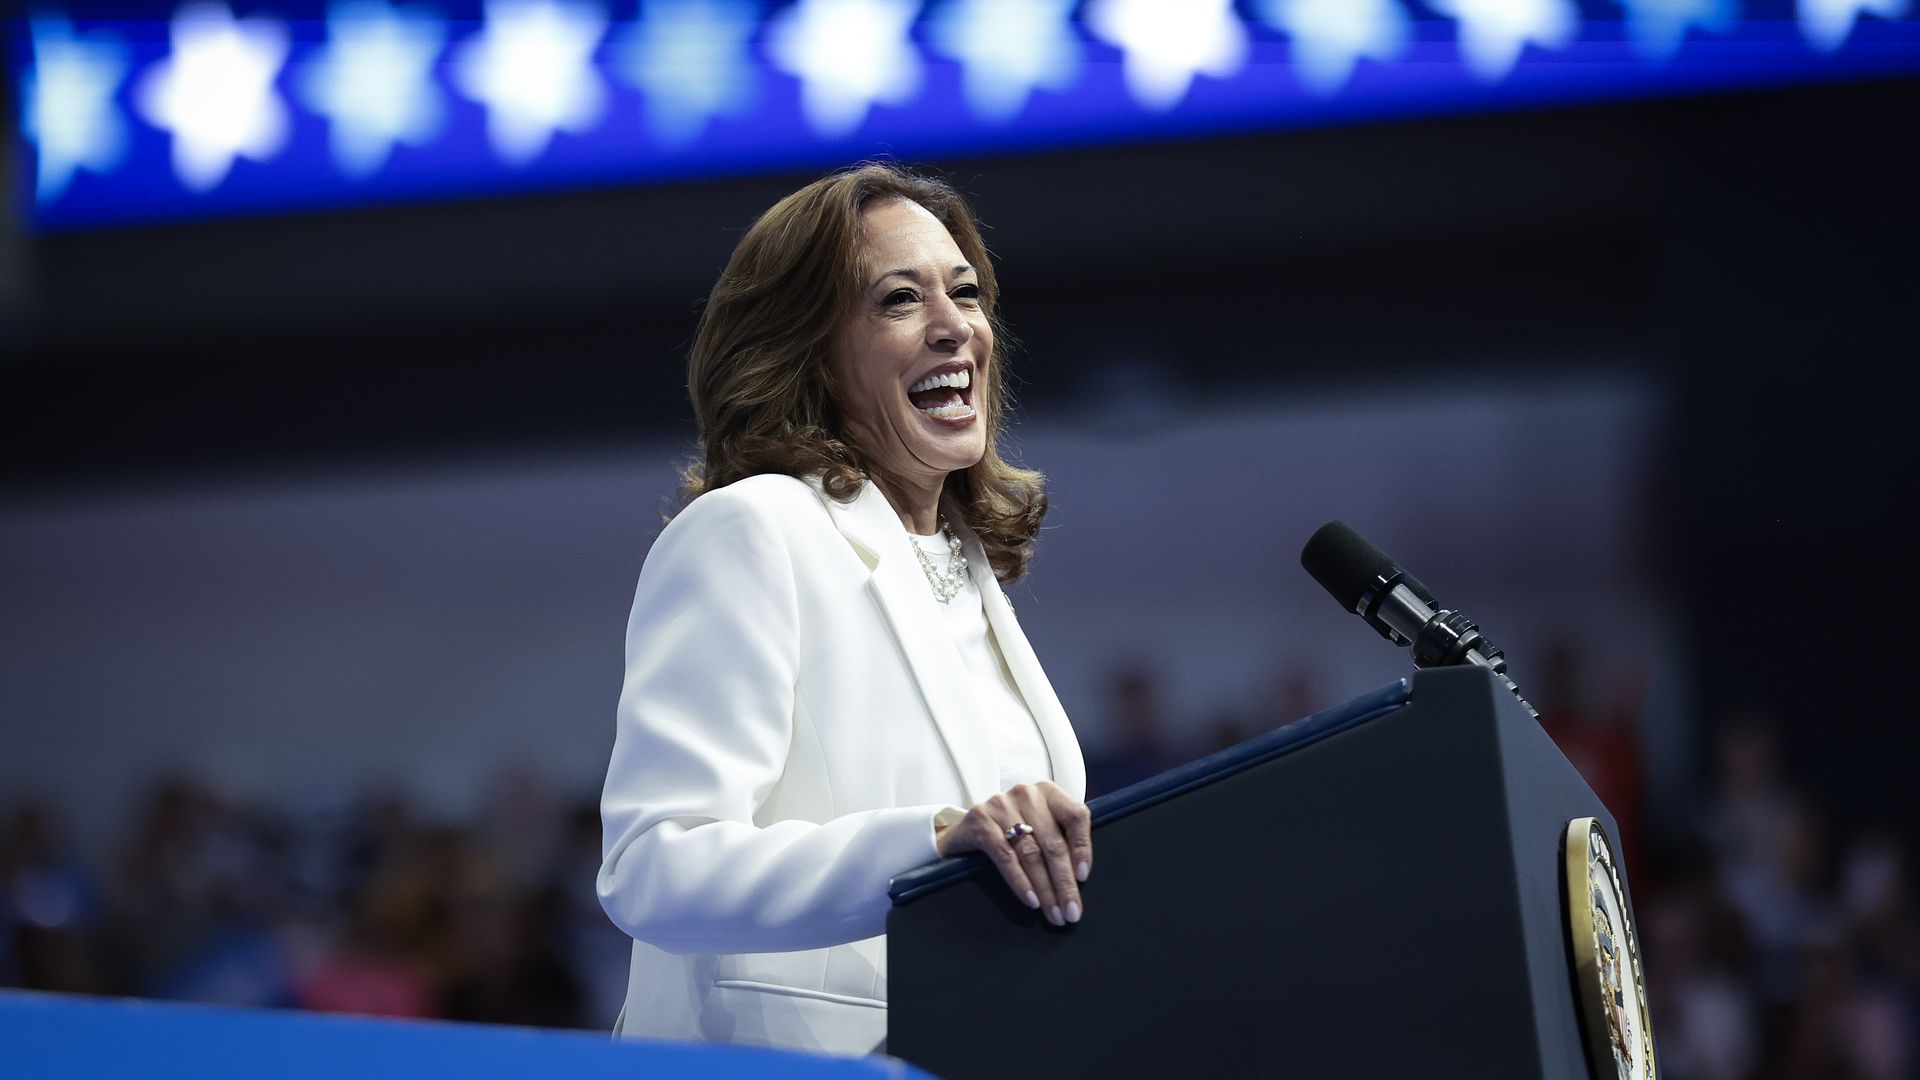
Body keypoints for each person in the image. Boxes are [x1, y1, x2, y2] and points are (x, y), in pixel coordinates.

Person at [596, 163, 1091, 1057]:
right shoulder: (753, 529)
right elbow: (654, 866)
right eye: (899, 299)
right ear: (808, 352)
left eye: (966, 293)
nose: (954, 326)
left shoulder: (967, 565)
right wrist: (928, 844)